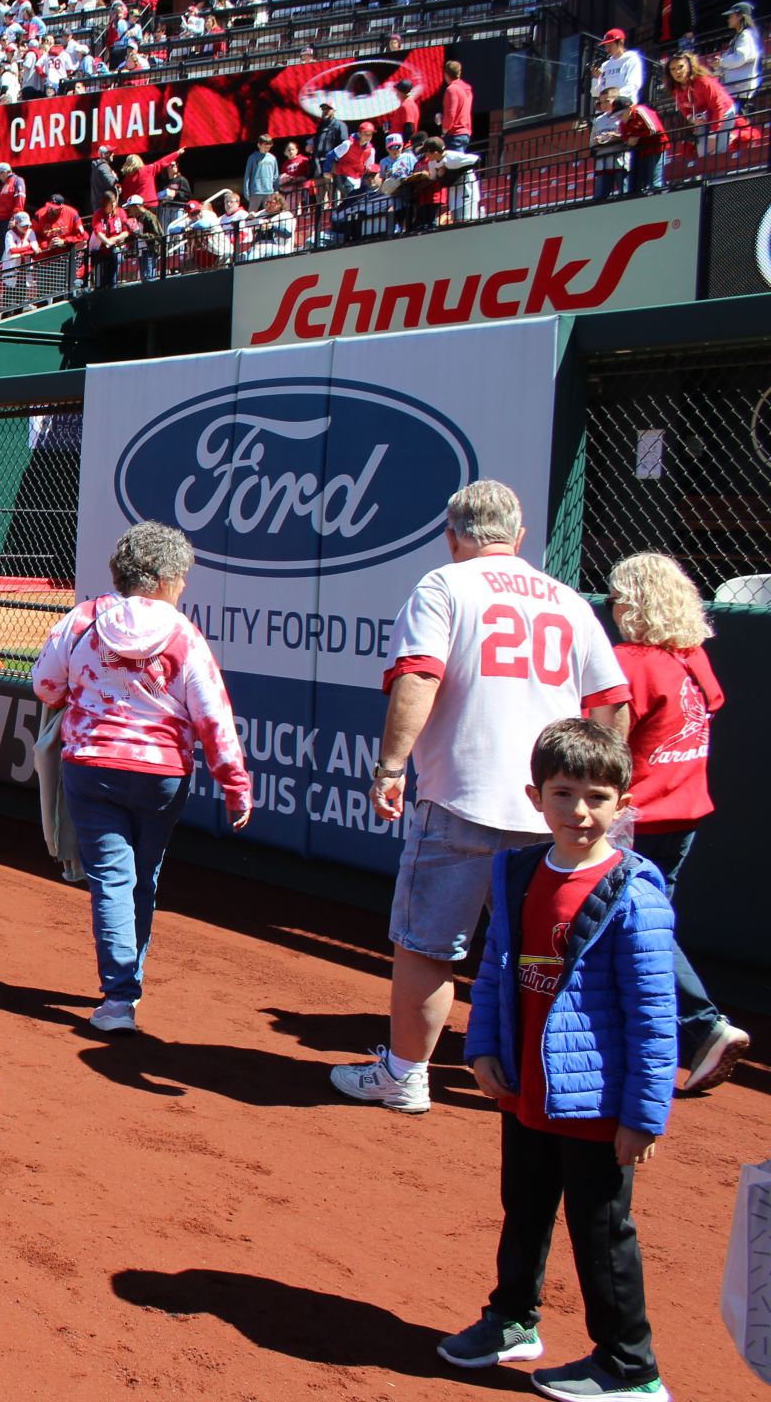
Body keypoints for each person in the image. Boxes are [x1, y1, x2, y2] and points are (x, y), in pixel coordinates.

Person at [331, 481, 628, 1114]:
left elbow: (419, 675)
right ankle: (545, 1080)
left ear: (452, 536)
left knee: (426, 947)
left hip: (460, 799)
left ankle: (405, 1076)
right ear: (519, 537)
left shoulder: (445, 585)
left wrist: (390, 767)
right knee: (545, 952)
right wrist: (602, 797)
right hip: (548, 810)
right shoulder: (568, 600)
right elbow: (611, 705)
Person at [440, 719, 674, 1402]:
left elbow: (654, 1016)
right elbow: (495, 969)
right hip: (526, 1090)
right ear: (534, 797)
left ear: (623, 804)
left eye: (598, 797)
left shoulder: (634, 892)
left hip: (596, 1103)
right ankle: (512, 1320)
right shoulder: (516, 871)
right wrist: (483, 1046)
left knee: (601, 1232)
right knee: (524, 1208)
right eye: (563, 793)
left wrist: (643, 1115)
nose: (580, 811)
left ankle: (630, 1368)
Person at [32, 523, 252, 1033]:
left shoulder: (83, 618)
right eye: (182, 576)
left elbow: (45, 684)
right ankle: (126, 987)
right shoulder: (184, 633)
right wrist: (235, 785)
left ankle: (118, 999)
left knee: (111, 879)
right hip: (161, 775)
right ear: (163, 578)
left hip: (91, 766)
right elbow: (213, 717)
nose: (184, 585)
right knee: (142, 876)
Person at [606, 552, 750, 1089]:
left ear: (633, 604)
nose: (613, 608)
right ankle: (639, 1037)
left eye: (617, 598)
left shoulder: (630, 661)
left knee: (634, 927)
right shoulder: (691, 656)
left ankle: (703, 1026)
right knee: (642, 925)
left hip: (636, 820)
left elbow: (608, 745)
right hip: (682, 816)